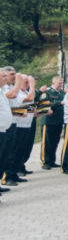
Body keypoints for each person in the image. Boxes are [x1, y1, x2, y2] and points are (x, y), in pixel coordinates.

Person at [2, 73, 35, 186]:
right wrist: (31, 85)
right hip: (12, 125)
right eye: (25, 82)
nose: (27, 84)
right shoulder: (9, 90)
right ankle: (7, 177)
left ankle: (14, 174)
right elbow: (17, 97)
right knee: (10, 153)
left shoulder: (10, 90)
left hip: (19, 124)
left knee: (18, 151)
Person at [40, 75, 65, 170]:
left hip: (58, 121)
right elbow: (45, 103)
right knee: (47, 142)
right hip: (48, 121)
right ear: (53, 83)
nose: (60, 85)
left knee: (55, 142)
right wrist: (59, 103)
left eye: (61, 83)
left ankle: (52, 161)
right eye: (59, 83)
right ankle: (45, 161)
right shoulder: (47, 92)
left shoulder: (62, 93)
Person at [0, 69, 14, 197]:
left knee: (2, 159)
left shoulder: (2, 91)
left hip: (3, 130)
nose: (6, 78)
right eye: (3, 76)